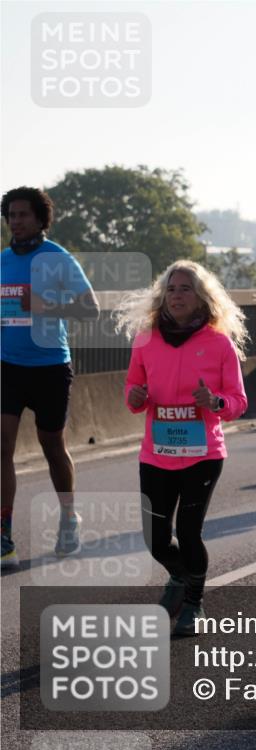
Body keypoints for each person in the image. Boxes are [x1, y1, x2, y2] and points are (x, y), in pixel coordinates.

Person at [115, 260, 248, 636]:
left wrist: (215, 402)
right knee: (155, 539)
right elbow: (131, 391)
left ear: (201, 297)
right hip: (156, 455)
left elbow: (238, 401)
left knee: (189, 532)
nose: (177, 295)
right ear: (163, 295)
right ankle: (178, 575)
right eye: (171, 289)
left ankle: (193, 602)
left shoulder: (218, 343)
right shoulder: (146, 339)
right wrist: (136, 396)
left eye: (185, 288)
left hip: (202, 456)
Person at [1, 187, 99, 570]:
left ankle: (68, 517)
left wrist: (46, 306)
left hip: (49, 367)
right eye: (11, 215)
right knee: (2, 447)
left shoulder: (57, 259)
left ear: (41, 219)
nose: (16, 221)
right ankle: (4, 536)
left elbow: (89, 310)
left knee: (51, 447)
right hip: (7, 365)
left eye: (23, 214)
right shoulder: (3, 261)